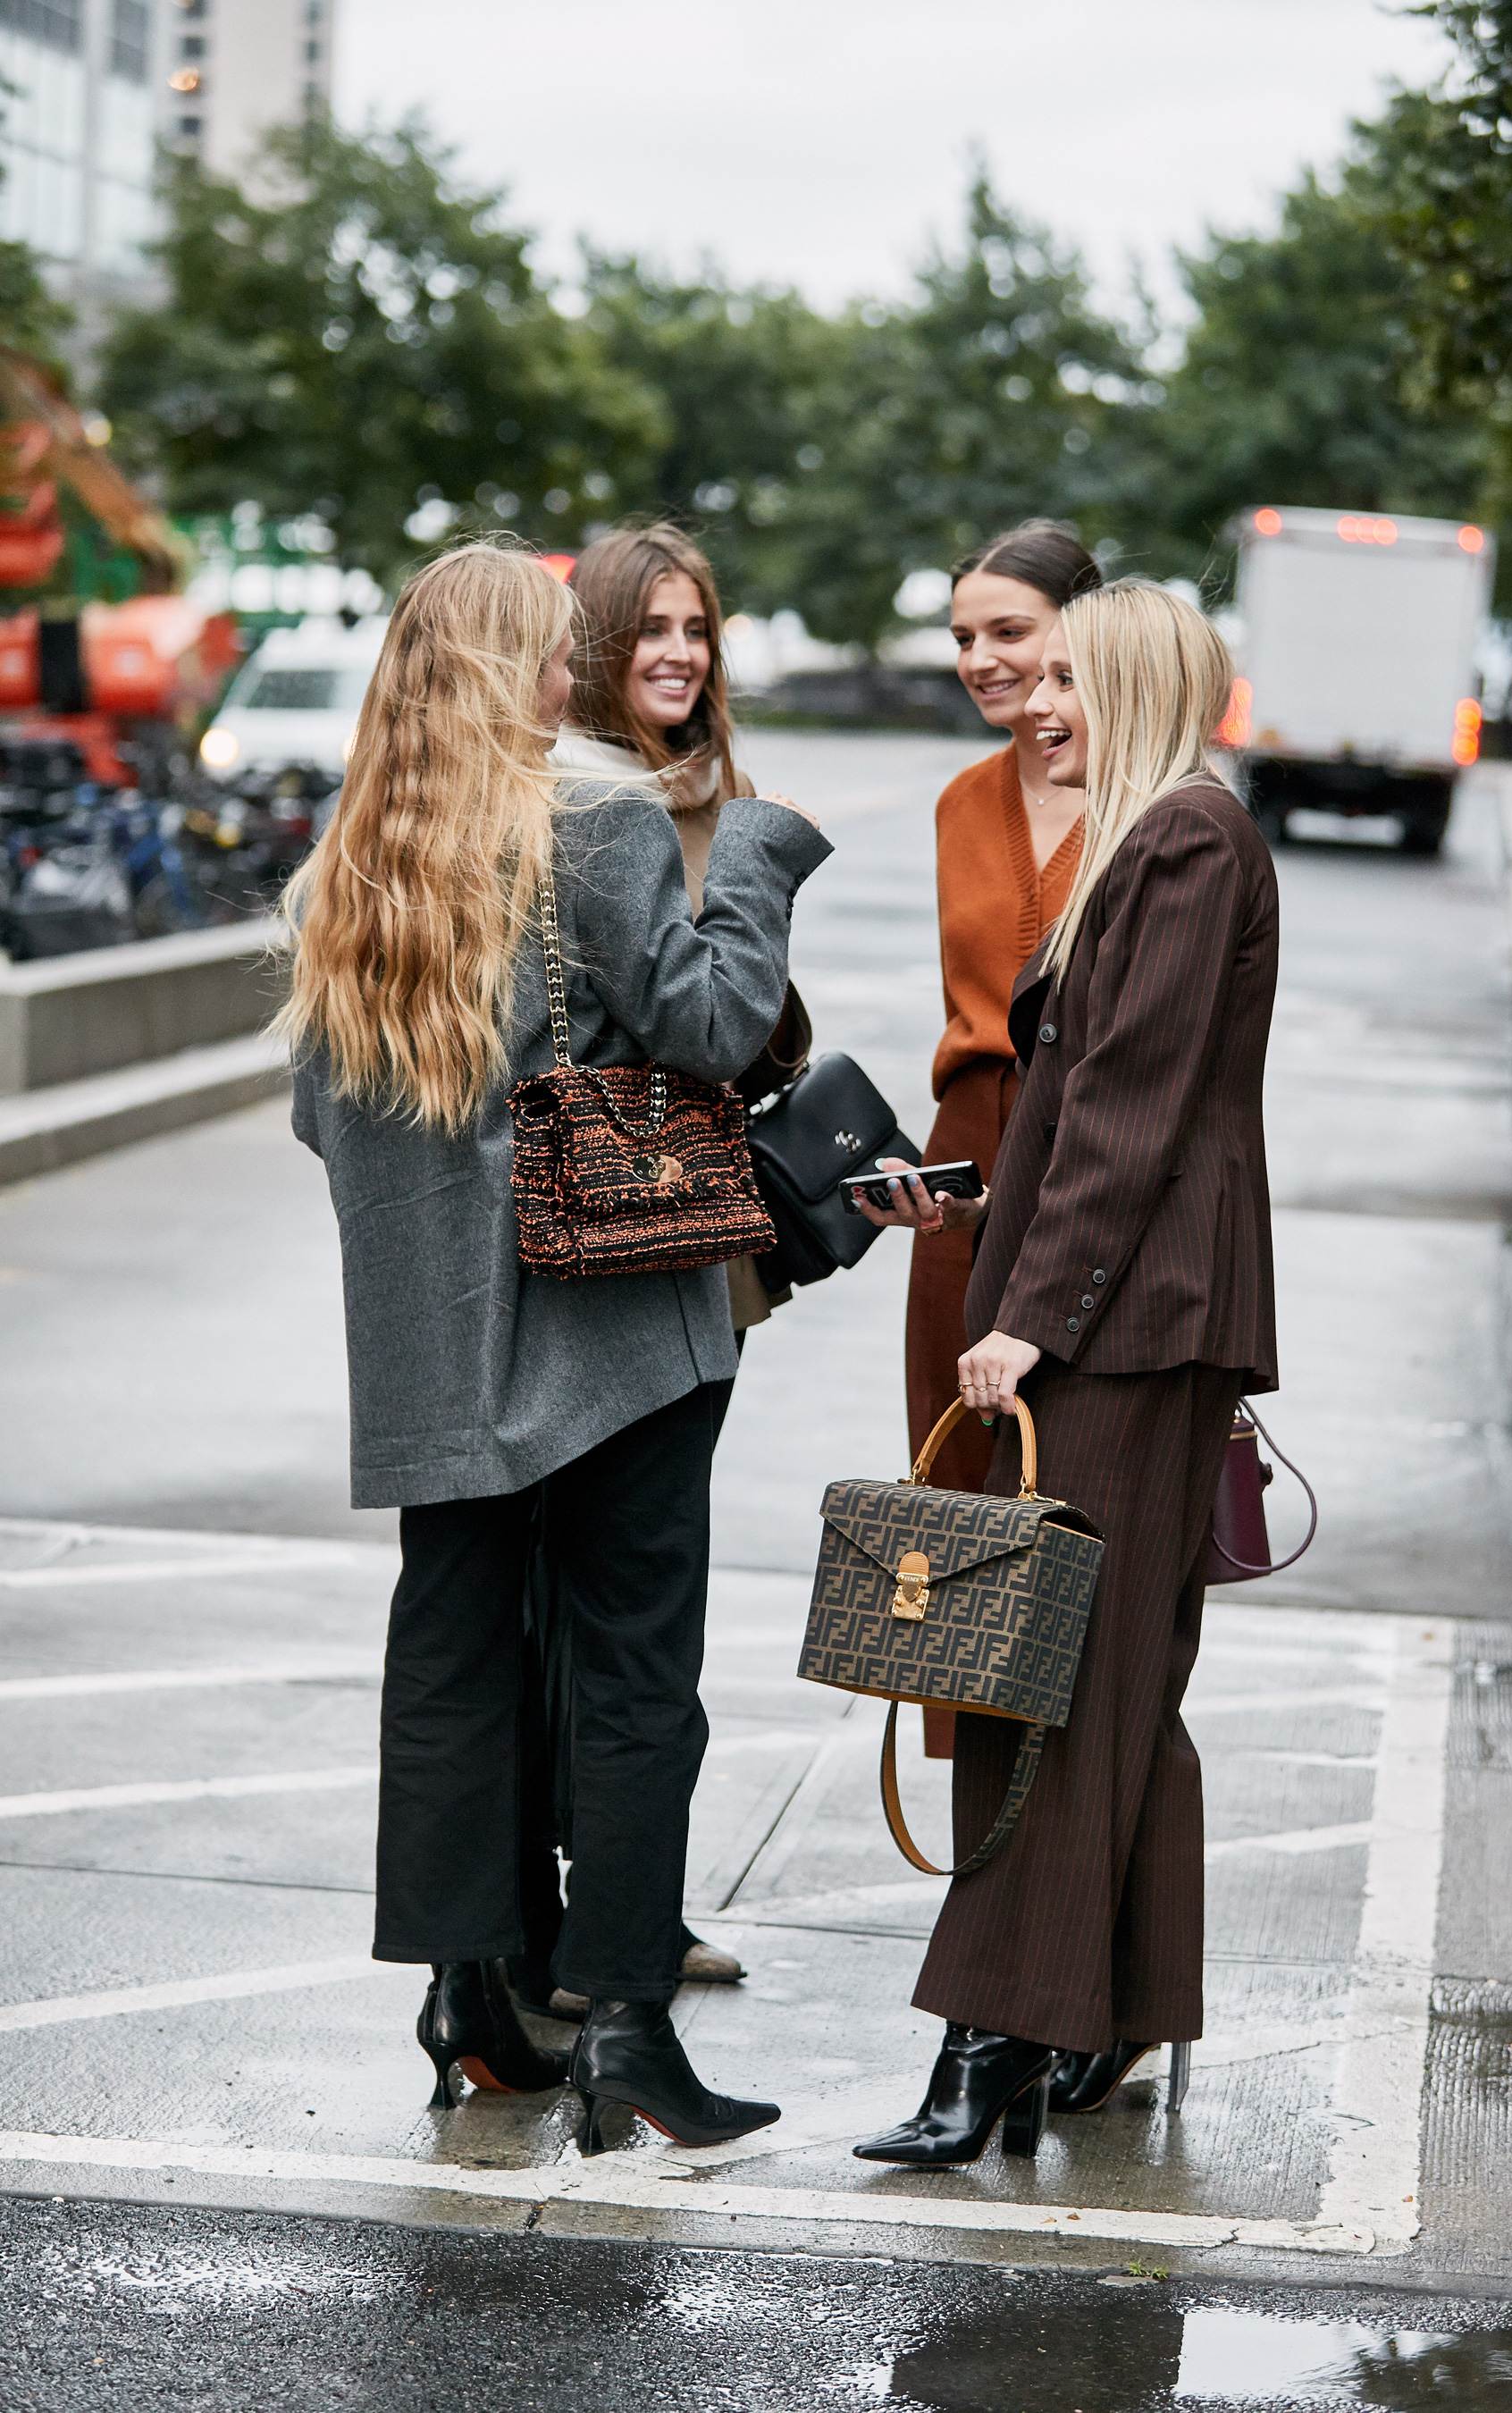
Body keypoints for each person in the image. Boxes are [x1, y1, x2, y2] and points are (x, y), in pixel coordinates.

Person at [280, 541, 830, 2151]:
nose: (568, 680)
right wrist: (757, 863)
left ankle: (471, 1995)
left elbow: (324, 1115)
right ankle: (629, 2037)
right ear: (514, 668)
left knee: (453, 1658)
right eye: (551, 654)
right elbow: (714, 1026)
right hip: (611, 1331)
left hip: (431, 1346)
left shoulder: (350, 858)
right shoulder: (589, 818)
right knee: (635, 1670)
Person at [853, 579, 1278, 2166]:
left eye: (1073, 687)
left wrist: (1030, 1312)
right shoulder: (1162, 837)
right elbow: (1081, 1105)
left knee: (1044, 1682)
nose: (1040, 707)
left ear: (1144, 691)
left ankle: (996, 2044)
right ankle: (1095, 2017)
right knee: (1105, 1686)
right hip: (1140, 1312)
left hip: (1121, 1322)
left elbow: (1128, 1105)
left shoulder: (1178, 839)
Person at [536, 523, 809, 2015]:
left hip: (691, 1241)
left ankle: (632, 1902)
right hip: (571, 1233)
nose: (679, 654)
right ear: (592, 644)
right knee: (567, 1607)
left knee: (654, 1602)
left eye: (697, 628)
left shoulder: (723, 796)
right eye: (649, 628)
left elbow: (750, 1020)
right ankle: (582, 1917)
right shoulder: (574, 799)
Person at [903, 523, 1102, 1501]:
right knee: (953, 1471)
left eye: (1007, 632)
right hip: (968, 1144)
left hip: (1091, 1154)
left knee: (1068, 1477)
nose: (979, 660)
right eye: (962, 638)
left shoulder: (1147, 807)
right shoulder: (961, 802)